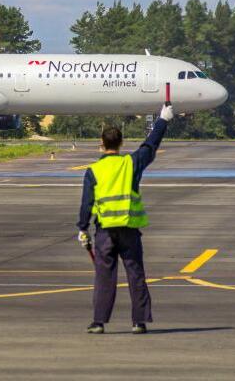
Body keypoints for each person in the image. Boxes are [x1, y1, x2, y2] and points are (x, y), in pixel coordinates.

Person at [77, 103, 172, 334]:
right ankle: (139, 321)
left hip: (105, 232)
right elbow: (150, 146)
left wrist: (82, 229)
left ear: (101, 144)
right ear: (121, 144)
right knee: (135, 274)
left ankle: (99, 322)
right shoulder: (131, 163)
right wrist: (163, 120)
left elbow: (86, 203)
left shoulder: (93, 171)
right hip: (129, 230)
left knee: (104, 277)